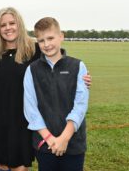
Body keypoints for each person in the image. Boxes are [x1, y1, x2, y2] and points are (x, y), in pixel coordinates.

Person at [23, 17, 89, 171]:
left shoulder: (78, 66)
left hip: (73, 144)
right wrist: (50, 139)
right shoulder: (32, 70)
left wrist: (64, 138)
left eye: (50, 38)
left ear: (61, 36)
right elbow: (30, 109)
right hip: (45, 144)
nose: (46, 44)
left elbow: (80, 105)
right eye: (41, 40)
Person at [0, 7, 40, 171]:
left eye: (12, 23)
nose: (8, 28)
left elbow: (58, 65)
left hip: (21, 118)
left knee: (19, 165)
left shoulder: (34, 50)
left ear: (19, 24)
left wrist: (81, 77)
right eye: (3, 25)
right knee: (3, 162)